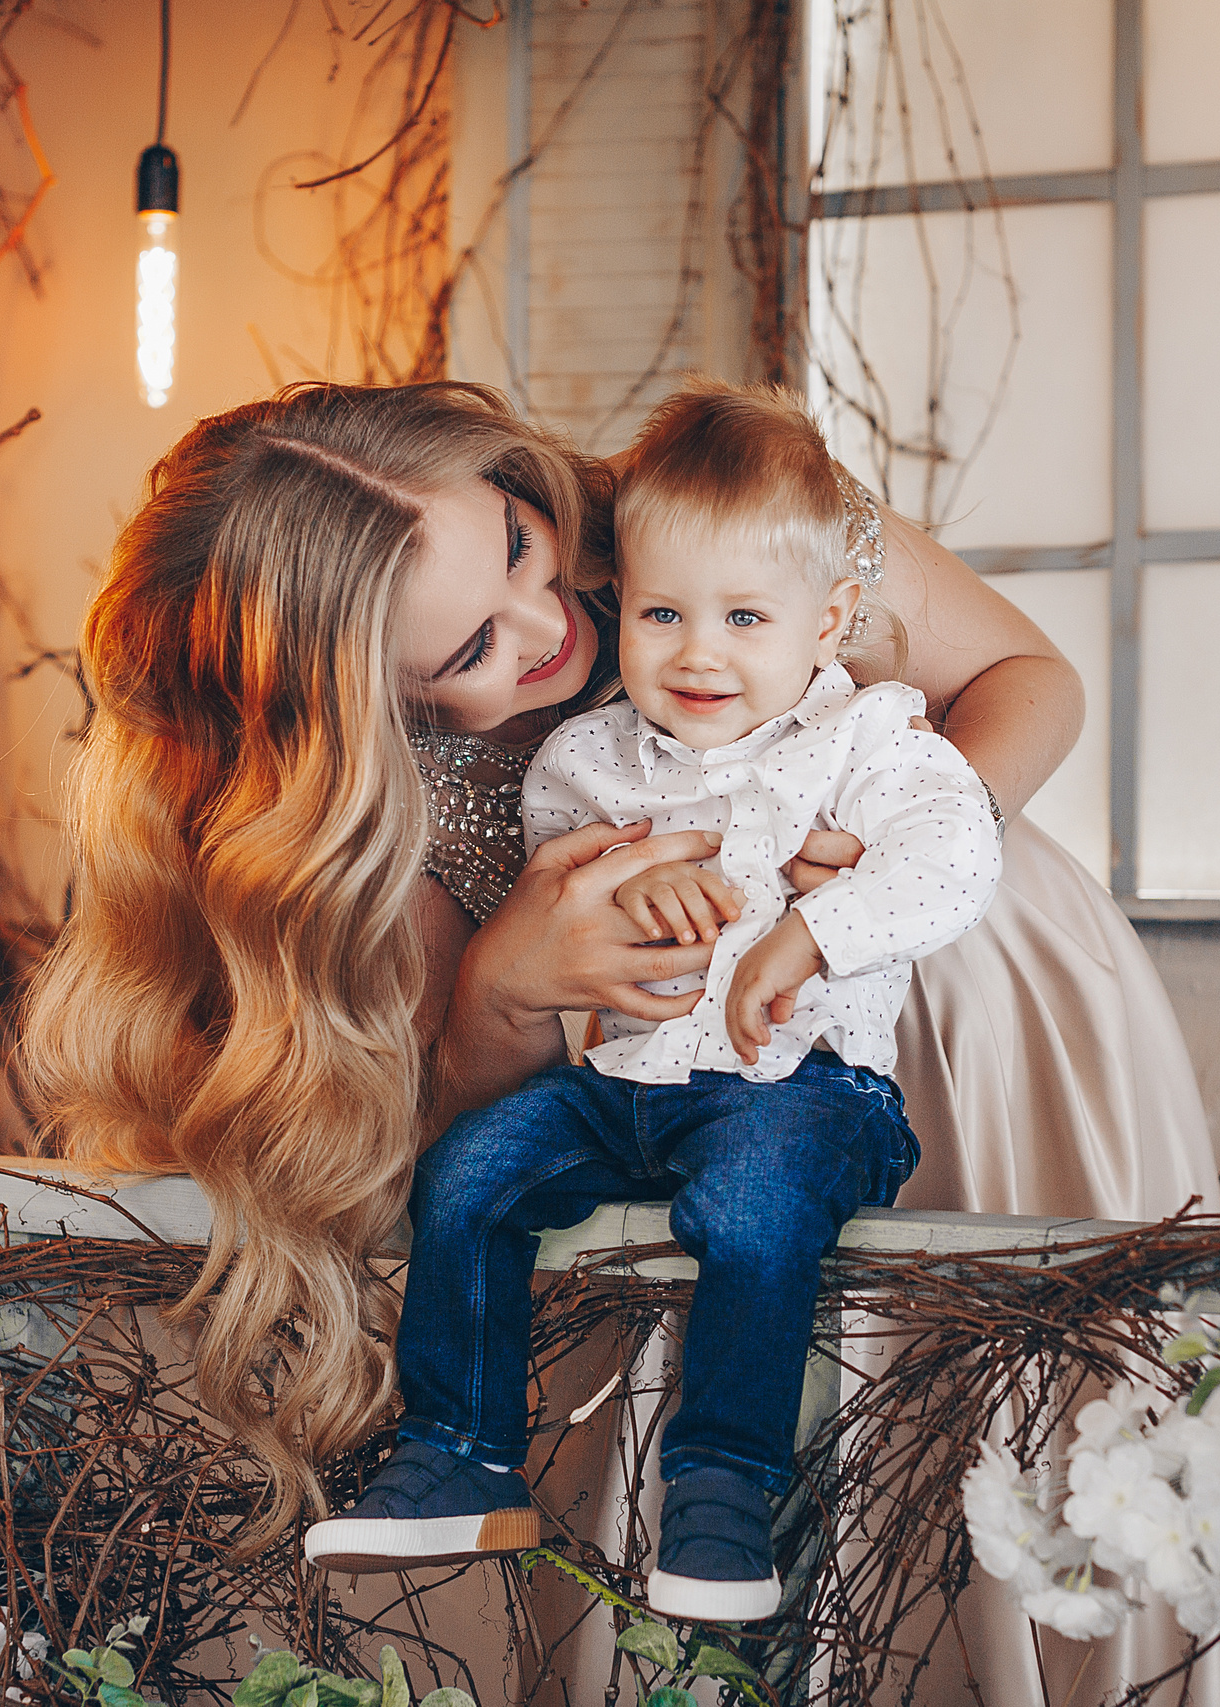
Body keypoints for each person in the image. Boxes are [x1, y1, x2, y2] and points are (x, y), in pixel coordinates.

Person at [22, 379, 1215, 1697]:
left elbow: (1028, 673)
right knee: (788, 1509)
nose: (551, 625)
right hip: (677, 1102)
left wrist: (907, 842)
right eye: (470, 648)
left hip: (985, 1008)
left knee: (1040, 1434)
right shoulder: (378, 818)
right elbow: (420, 1135)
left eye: (522, 548)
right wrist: (500, 987)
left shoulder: (711, 517)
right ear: (371, 712)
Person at [300, 384, 1001, 1622]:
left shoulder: (869, 732)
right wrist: (641, 896)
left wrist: (814, 926)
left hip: (804, 1082)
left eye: (741, 618)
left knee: (749, 1207)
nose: (698, 653)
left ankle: (723, 1484)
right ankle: (460, 1451)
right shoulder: (587, 757)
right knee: (469, 1172)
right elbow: (568, 888)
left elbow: (955, 853)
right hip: (631, 1085)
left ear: (830, 618)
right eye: (664, 615)